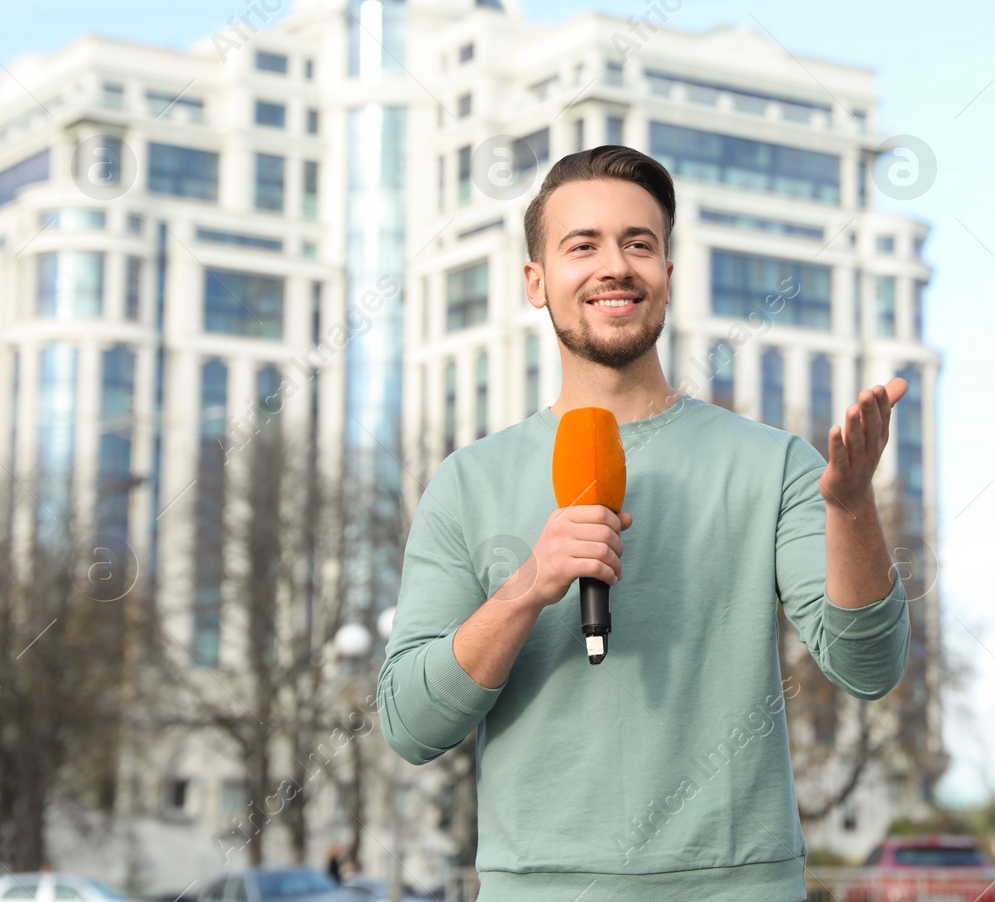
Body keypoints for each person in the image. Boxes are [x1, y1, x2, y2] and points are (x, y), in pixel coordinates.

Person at [378, 145, 911, 900]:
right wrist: (527, 588)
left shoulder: (775, 465)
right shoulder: (468, 483)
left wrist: (852, 509)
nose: (615, 266)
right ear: (537, 281)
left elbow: (871, 669)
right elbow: (410, 723)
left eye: (640, 243)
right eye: (582, 245)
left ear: (667, 271)